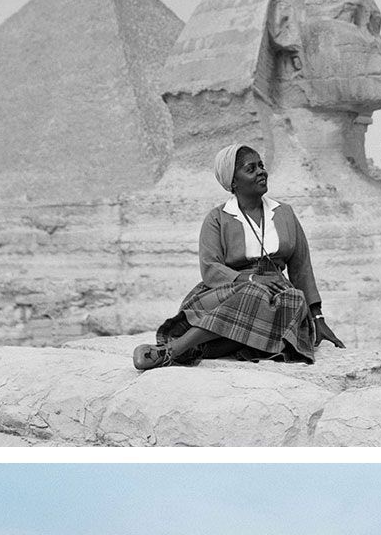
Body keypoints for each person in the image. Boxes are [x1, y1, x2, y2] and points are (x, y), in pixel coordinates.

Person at [132, 145, 344, 371]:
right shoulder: (217, 218)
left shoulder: (285, 213)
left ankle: (175, 351)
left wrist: (318, 319)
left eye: (261, 165)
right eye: (251, 169)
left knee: (286, 300)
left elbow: (301, 268)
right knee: (253, 293)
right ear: (233, 182)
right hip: (228, 290)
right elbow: (210, 268)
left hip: (279, 299)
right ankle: (182, 349)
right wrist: (252, 280)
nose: (261, 171)